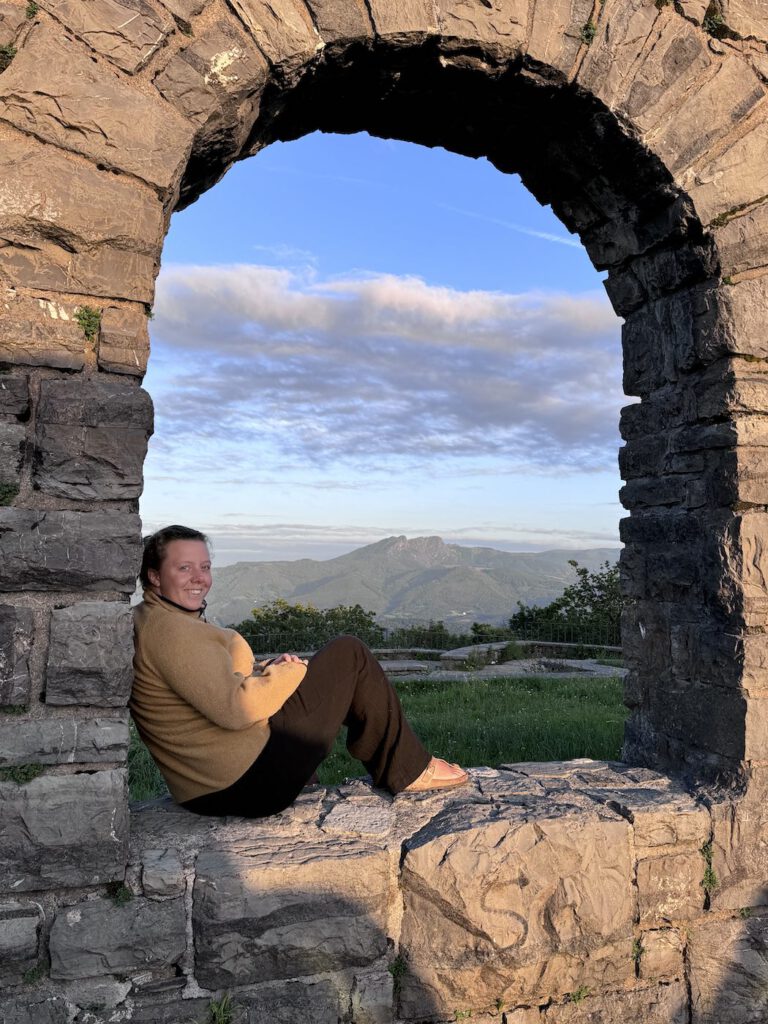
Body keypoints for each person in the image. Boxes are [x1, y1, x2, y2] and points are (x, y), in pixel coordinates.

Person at [130, 524, 468, 818]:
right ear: (155, 575)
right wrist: (289, 674)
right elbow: (236, 709)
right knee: (349, 655)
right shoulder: (171, 631)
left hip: (211, 784)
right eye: (184, 568)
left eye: (204, 566)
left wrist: (267, 669)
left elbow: (215, 680)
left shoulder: (157, 620)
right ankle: (408, 771)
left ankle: (339, 769)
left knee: (330, 672)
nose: (199, 578)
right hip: (245, 783)